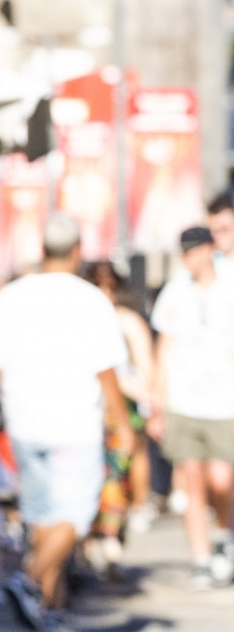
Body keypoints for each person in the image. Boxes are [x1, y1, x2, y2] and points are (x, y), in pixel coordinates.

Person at [0, 213, 134, 630]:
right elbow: (107, 369)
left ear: (42, 250)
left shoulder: (11, 295)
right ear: (78, 252)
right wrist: (123, 424)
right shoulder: (91, 299)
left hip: (25, 422)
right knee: (75, 517)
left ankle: (49, 610)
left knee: (45, 519)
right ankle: (27, 581)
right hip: (74, 423)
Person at [148, 224, 234, 589]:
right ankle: (200, 558)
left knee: (222, 478)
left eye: (195, 250)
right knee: (193, 481)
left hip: (225, 400)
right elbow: (165, 347)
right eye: (185, 252)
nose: (190, 258)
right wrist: (157, 401)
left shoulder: (229, 282)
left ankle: (223, 536)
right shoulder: (175, 291)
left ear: (209, 249)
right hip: (185, 399)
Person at [81, 257, 156, 563]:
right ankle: (84, 548)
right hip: (83, 410)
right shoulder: (78, 320)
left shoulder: (127, 322)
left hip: (119, 412)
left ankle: (113, 535)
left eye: (109, 287)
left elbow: (145, 372)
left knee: (115, 475)